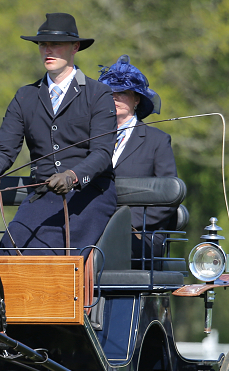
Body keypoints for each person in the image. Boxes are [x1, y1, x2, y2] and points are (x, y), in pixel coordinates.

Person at [0, 13, 116, 255]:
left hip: (89, 194)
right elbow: (5, 147)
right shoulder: (25, 96)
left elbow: (102, 154)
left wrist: (72, 176)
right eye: (43, 44)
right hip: (42, 194)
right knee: (10, 248)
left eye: (56, 44)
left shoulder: (98, 94)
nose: (48, 50)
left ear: (75, 47)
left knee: (50, 250)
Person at [98, 55, 177, 265]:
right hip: (94, 229)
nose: (114, 98)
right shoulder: (89, 137)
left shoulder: (157, 140)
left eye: (122, 93)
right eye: (109, 93)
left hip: (142, 235)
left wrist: (125, 224)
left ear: (136, 99)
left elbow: (168, 197)